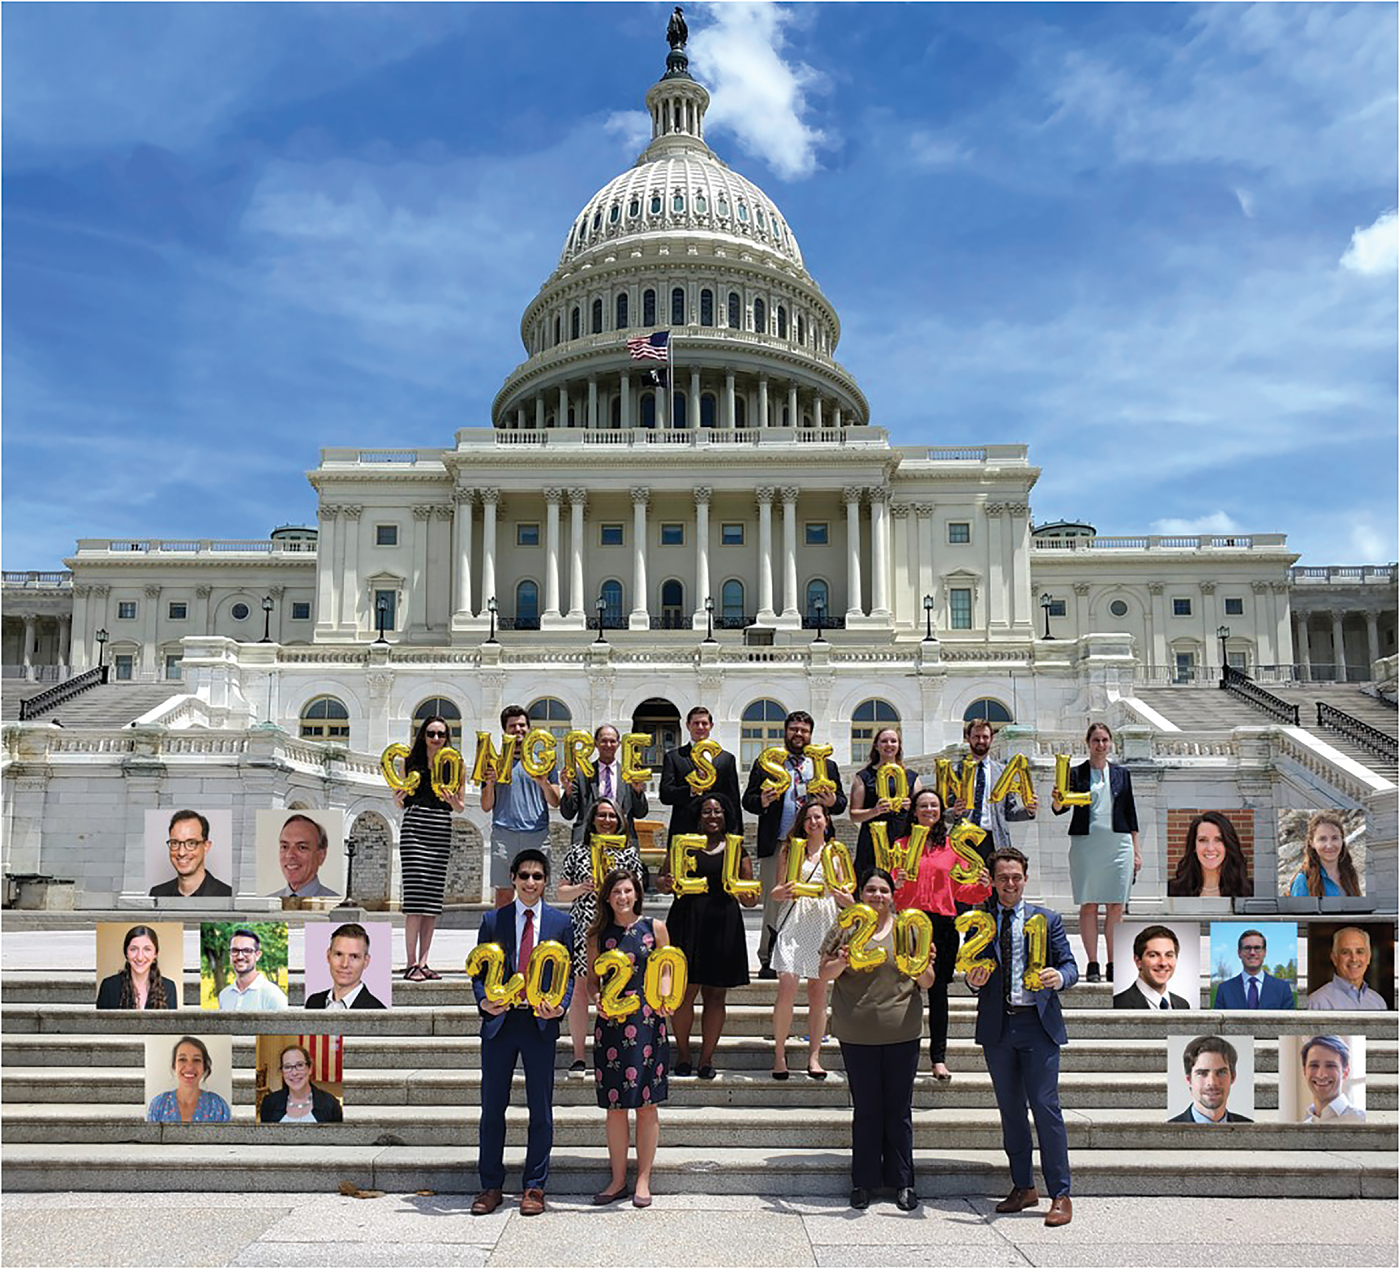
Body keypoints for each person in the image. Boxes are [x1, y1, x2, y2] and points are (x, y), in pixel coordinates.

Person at [966, 847, 1077, 1228]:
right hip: (999, 1027)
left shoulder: (1048, 919)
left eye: (1016, 877)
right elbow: (971, 967)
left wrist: (1059, 978)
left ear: (1025, 879)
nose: (1009, 884)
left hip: (1038, 1026)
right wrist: (972, 979)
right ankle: (1023, 1186)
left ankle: (1060, 1193)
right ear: (993, 881)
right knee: (1010, 1110)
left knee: (1046, 1109)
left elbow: (1071, 966)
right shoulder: (980, 921)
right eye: (1002, 878)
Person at [819, 867, 937, 1212]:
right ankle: (864, 1181)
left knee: (898, 1110)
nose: (877, 896)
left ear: (892, 895)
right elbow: (823, 971)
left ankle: (903, 1181)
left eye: (883, 890)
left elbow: (928, 981)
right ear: (861, 894)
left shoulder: (909, 927)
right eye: (870, 889)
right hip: (857, 1032)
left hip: (902, 1030)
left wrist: (921, 966)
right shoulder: (846, 926)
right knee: (867, 1109)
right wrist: (840, 962)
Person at [471, 849, 573, 1218]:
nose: (531, 882)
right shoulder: (492, 919)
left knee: (540, 1109)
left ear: (546, 881)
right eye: (524, 875)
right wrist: (484, 1001)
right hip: (500, 1023)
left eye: (538, 876)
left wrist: (560, 1005)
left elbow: (569, 973)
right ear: (513, 878)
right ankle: (490, 1185)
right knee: (492, 1108)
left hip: (539, 1023)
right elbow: (479, 971)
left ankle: (534, 1185)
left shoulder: (561, 923)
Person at [892, 788, 992, 1079]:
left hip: (943, 925)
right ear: (914, 812)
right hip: (909, 924)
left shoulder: (953, 848)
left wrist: (984, 886)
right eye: (923, 806)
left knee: (938, 994)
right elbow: (889, 893)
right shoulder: (900, 845)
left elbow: (962, 890)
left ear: (941, 812)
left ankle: (938, 1058)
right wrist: (895, 884)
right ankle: (903, 1055)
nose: (929, 810)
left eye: (934, 806)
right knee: (903, 992)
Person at [587, 868, 672, 1207]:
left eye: (627, 890)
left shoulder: (655, 929)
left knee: (647, 1105)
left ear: (637, 893)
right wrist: (596, 998)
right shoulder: (598, 935)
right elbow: (592, 981)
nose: (622, 897)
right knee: (615, 1107)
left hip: (648, 1023)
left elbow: (668, 969)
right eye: (616, 892)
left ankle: (643, 1180)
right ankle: (618, 1179)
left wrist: (665, 997)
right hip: (611, 1025)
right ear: (607, 897)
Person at [742, 710, 847, 978]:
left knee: (819, 901)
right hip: (779, 843)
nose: (798, 734)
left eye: (804, 730)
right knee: (775, 900)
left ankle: (820, 953)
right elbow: (748, 800)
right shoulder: (768, 763)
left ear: (811, 735)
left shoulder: (826, 766)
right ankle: (768, 958)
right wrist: (763, 800)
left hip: (815, 845)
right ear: (785, 731)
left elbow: (842, 803)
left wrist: (832, 802)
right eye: (794, 729)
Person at [660, 793, 758, 1078]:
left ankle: (706, 1058)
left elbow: (750, 900)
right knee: (684, 993)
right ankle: (683, 1054)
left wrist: (747, 893)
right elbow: (664, 883)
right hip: (687, 920)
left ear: (726, 815)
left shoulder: (737, 848)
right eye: (707, 811)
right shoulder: (684, 844)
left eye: (718, 811)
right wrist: (666, 882)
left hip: (722, 923)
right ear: (698, 816)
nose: (712, 816)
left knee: (716, 996)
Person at [557, 797, 644, 1073]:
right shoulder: (577, 851)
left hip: (619, 928)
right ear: (592, 819)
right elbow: (560, 891)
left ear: (620, 821)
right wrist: (582, 887)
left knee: (618, 988)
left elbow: (637, 890)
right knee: (582, 991)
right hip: (585, 925)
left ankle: (619, 1051)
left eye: (612, 816)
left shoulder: (629, 854)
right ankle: (580, 1055)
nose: (607, 821)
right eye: (602, 815)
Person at [769, 799, 852, 1080]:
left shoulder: (837, 854)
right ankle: (779, 1053)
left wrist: (847, 900)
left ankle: (814, 1056)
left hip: (825, 921)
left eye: (818, 817)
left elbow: (846, 891)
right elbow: (778, 888)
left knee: (819, 993)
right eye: (808, 818)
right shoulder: (791, 851)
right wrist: (779, 893)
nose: (813, 822)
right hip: (795, 919)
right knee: (788, 984)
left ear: (827, 821)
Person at [1052, 722, 1139, 983]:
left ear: (1111, 743)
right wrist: (1056, 800)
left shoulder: (1122, 774)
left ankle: (1114, 963)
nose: (1100, 745)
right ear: (1088, 744)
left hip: (1118, 843)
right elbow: (1060, 808)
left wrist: (1137, 851)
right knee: (1089, 904)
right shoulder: (1075, 773)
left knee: (1116, 905)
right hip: (1087, 844)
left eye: (1104, 740)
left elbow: (1131, 813)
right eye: (1096, 741)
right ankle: (1092, 963)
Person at [394, 714, 466, 981]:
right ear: (422, 735)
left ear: (448, 737)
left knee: (433, 900)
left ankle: (425, 961)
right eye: (431, 733)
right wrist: (399, 798)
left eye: (441, 734)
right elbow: (400, 802)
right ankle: (411, 962)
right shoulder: (409, 763)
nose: (436, 739)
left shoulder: (456, 765)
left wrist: (451, 800)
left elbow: (460, 806)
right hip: (415, 824)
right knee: (415, 898)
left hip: (440, 825)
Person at [481, 704, 561, 910]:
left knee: (537, 893)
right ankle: (502, 940)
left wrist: (543, 781)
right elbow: (486, 805)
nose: (519, 730)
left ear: (530, 728)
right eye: (513, 726)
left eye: (522, 725)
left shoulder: (545, 762)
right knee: (504, 894)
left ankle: (537, 941)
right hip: (504, 833)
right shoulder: (494, 762)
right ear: (505, 730)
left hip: (536, 833)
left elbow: (555, 801)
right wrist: (490, 782)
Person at [948, 718, 1036, 860]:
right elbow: (944, 811)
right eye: (976, 737)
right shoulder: (956, 771)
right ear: (968, 738)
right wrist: (955, 812)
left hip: (994, 840)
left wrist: (1029, 811)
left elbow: (1009, 812)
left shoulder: (1003, 772)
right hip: (963, 839)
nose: (981, 741)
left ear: (991, 739)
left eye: (985, 737)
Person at [659, 706, 743, 845]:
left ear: (711, 726)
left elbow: (733, 800)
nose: (700, 727)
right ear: (687, 725)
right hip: (684, 831)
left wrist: (736, 834)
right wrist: (691, 789)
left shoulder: (726, 759)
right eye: (695, 723)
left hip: (718, 834)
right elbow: (665, 795)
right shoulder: (674, 757)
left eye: (704, 723)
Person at [560, 724, 649, 851]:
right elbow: (568, 814)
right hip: (587, 842)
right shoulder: (582, 775)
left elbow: (640, 813)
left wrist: (638, 791)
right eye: (604, 741)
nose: (608, 745)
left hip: (622, 842)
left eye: (612, 741)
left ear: (618, 744)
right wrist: (568, 791)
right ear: (595, 743)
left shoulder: (629, 774)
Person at [849, 727, 922, 879]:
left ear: (899, 745)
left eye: (893, 741)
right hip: (873, 840)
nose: (889, 745)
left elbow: (923, 811)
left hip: (902, 838)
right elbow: (854, 815)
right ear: (876, 746)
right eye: (884, 741)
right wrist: (874, 811)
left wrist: (912, 808)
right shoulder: (864, 776)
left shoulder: (911, 776)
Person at [1167, 1035, 1253, 1123]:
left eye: (1221, 1072)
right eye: (1202, 1073)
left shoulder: (1251, 1127)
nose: (1212, 1082)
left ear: (1233, 1077)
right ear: (1189, 1080)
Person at [146, 1036, 231, 1123]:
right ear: (174, 1066)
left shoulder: (219, 1106)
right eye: (182, 1059)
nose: (189, 1067)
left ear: (204, 1067)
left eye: (196, 1060)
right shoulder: (159, 1105)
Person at [149, 810, 232, 898]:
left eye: (191, 843)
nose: (181, 852)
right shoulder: (157, 894)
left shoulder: (227, 894)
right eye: (175, 843)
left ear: (206, 846)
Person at [1168, 812, 1251, 899]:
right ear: (1194, 846)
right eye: (1202, 840)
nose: (1210, 848)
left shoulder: (1248, 891)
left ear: (1228, 845)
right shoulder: (1172, 891)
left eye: (1218, 839)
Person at [305, 923, 387, 1009]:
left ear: (366, 961)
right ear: (328, 956)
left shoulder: (378, 1011)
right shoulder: (313, 1002)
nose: (344, 964)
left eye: (354, 957)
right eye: (339, 954)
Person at [96, 925, 178, 1010]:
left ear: (155, 954)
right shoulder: (108, 986)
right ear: (126, 954)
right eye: (133, 949)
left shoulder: (169, 987)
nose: (140, 957)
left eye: (147, 949)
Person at [257, 1043, 344, 1123]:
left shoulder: (330, 1104)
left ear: (309, 1069)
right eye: (287, 1067)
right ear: (282, 1072)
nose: (294, 1073)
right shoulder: (269, 1103)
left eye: (300, 1065)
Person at [1113, 925, 1192, 1010]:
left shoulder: (1183, 1005)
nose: (1163, 963)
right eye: (1153, 955)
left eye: (1169, 955)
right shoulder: (1118, 1004)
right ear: (1138, 961)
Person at [1307, 926, 1387, 1010]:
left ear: (1368, 958)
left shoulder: (1378, 1002)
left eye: (1359, 952)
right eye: (1345, 952)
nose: (1354, 959)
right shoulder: (1317, 1003)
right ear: (1334, 958)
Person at [1214, 928, 1294, 1009]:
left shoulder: (1283, 989)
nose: (1252, 952)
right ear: (1239, 953)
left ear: (1265, 952)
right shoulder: (1224, 990)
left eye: (1257, 948)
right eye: (1247, 948)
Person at [1289, 811, 1363, 898]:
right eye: (1322, 839)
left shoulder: (1350, 873)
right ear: (1312, 843)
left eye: (1335, 838)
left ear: (1342, 840)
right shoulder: (1303, 880)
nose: (1329, 845)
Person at [269, 813, 338, 898]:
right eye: (284, 847)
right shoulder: (267, 901)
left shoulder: (337, 905)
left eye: (302, 847)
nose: (290, 855)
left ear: (321, 856)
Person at [216, 928, 288, 1010]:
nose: (240, 956)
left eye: (247, 950)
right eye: (235, 950)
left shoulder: (272, 995)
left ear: (257, 955)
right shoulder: (224, 995)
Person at [1301, 1035, 1365, 1122]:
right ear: (1305, 1071)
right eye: (1314, 1065)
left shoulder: (1362, 1121)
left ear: (1345, 1072)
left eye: (1330, 1066)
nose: (1321, 1075)